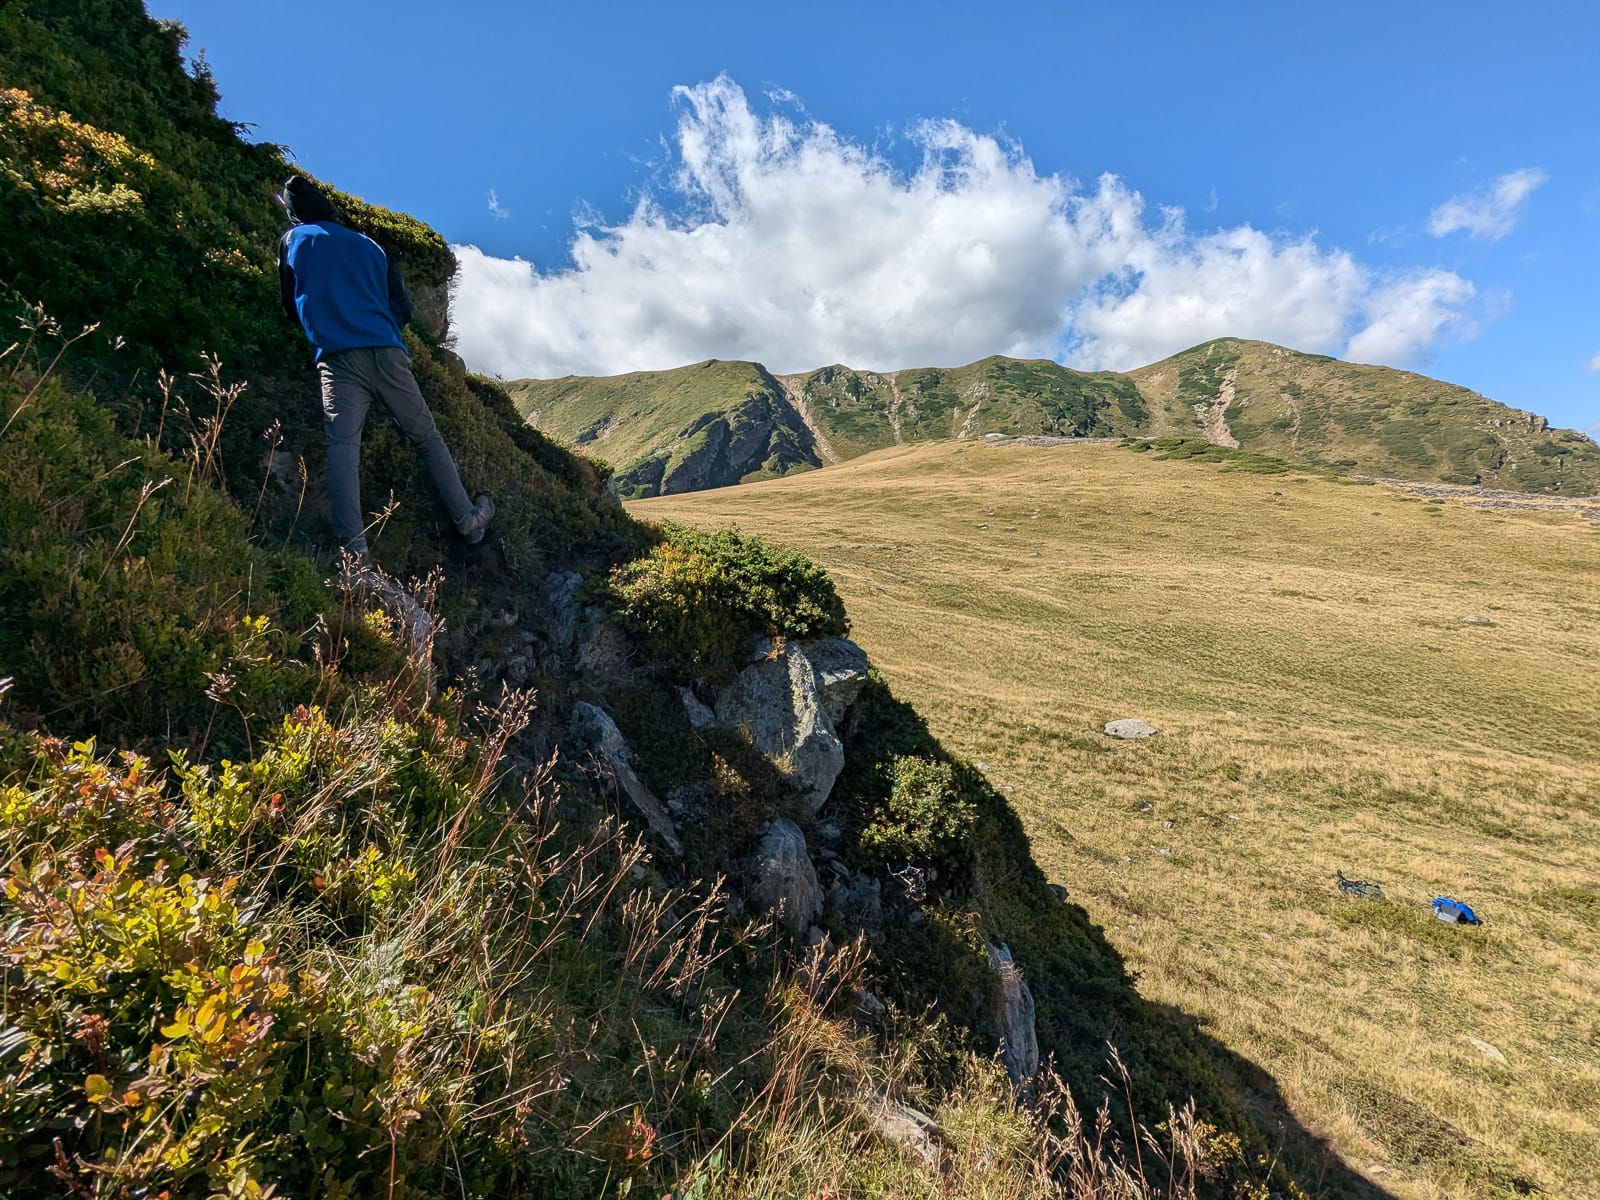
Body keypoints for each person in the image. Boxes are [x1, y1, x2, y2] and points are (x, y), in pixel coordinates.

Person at [277, 175, 492, 561]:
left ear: (294, 213)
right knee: (427, 438)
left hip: (337, 358)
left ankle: (354, 553)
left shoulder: (293, 241)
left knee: (343, 449)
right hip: (389, 352)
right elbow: (403, 307)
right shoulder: (370, 245)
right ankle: (469, 522)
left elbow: (290, 305)